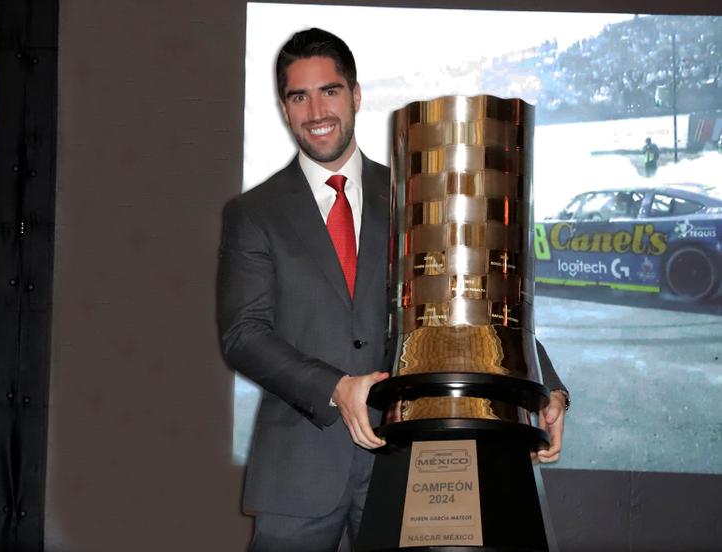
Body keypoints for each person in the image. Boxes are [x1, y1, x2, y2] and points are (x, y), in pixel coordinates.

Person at [217, 28, 569, 552]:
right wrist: (337, 387)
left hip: (404, 464)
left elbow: (469, 304)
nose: (316, 109)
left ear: (356, 95)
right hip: (297, 473)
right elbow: (243, 334)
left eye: (329, 90)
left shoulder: (413, 197)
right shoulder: (253, 214)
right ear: (285, 108)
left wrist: (549, 389)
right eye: (299, 95)